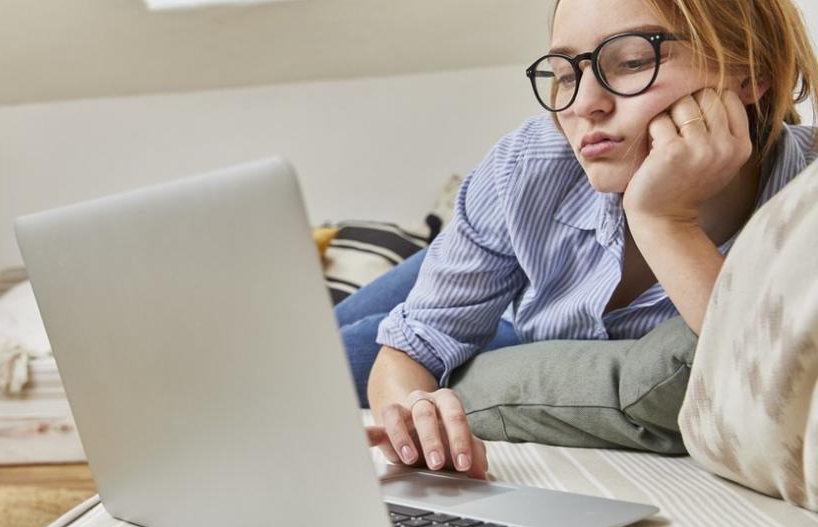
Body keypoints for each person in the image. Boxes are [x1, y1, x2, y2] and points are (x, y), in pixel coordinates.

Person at [341, 0, 818, 480]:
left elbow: (771, 383)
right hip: (502, 279)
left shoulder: (806, 197)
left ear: (750, 72)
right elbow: (413, 346)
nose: (583, 104)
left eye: (633, 61)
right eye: (566, 74)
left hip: (518, 317)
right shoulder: (527, 164)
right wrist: (417, 419)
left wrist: (664, 219)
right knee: (306, 351)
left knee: (333, 357)